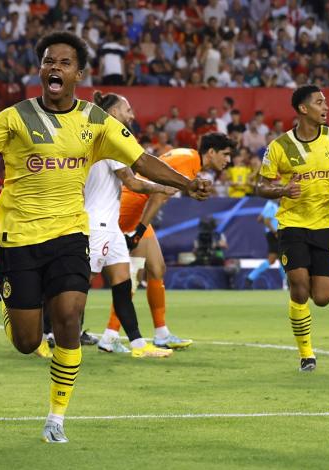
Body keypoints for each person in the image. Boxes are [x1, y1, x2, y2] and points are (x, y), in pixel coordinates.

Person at [0, 31, 211, 444]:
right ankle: (12, 308)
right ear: (41, 70)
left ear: (78, 73)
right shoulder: (14, 117)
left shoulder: (96, 121)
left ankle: (55, 419)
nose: (54, 68)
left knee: (68, 321)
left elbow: (142, 160)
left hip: (69, 234)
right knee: (28, 342)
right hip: (19, 237)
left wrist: (186, 184)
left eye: (63, 63)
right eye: (48, 61)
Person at [257, 85, 329, 372]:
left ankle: (304, 311)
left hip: (326, 224)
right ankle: (306, 354)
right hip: (292, 224)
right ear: (303, 109)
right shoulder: (279, 147)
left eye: (326, 102)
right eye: (320, 102)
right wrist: (282, 189)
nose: (326, 107)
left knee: (322, 297)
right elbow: (260, 185)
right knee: (299, 289)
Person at [104, 133, 233, 349]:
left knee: (157, 268)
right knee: (131, 275)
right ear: (211, 152)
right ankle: (109, 336)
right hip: (128, 212)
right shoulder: (190, 160)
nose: (228, 160)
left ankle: (161, 334)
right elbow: (159, 196)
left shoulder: (186, 155)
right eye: (226, 154)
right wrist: (139, 230)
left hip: (136, 211)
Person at [87, 91, 175, 359]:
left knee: (124, 284)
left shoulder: (106, 136)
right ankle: (47, 334)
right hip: (96, 224)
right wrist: (165, 186)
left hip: (109, 225)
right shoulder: (110, 138)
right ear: (113, 113)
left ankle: (138, 345)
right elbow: (133, 182)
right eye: (128, 110)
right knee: (78, 286)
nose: (133, 115)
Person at [245, 199, 287, 288]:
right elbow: (266, 221)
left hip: (272, 234)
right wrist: (275, 232)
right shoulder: (271, 205)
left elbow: (260, 218)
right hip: (274, 234)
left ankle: (287, 283)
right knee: (275, 259)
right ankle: (250, 278)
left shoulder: (270, 204)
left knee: (280, 259)